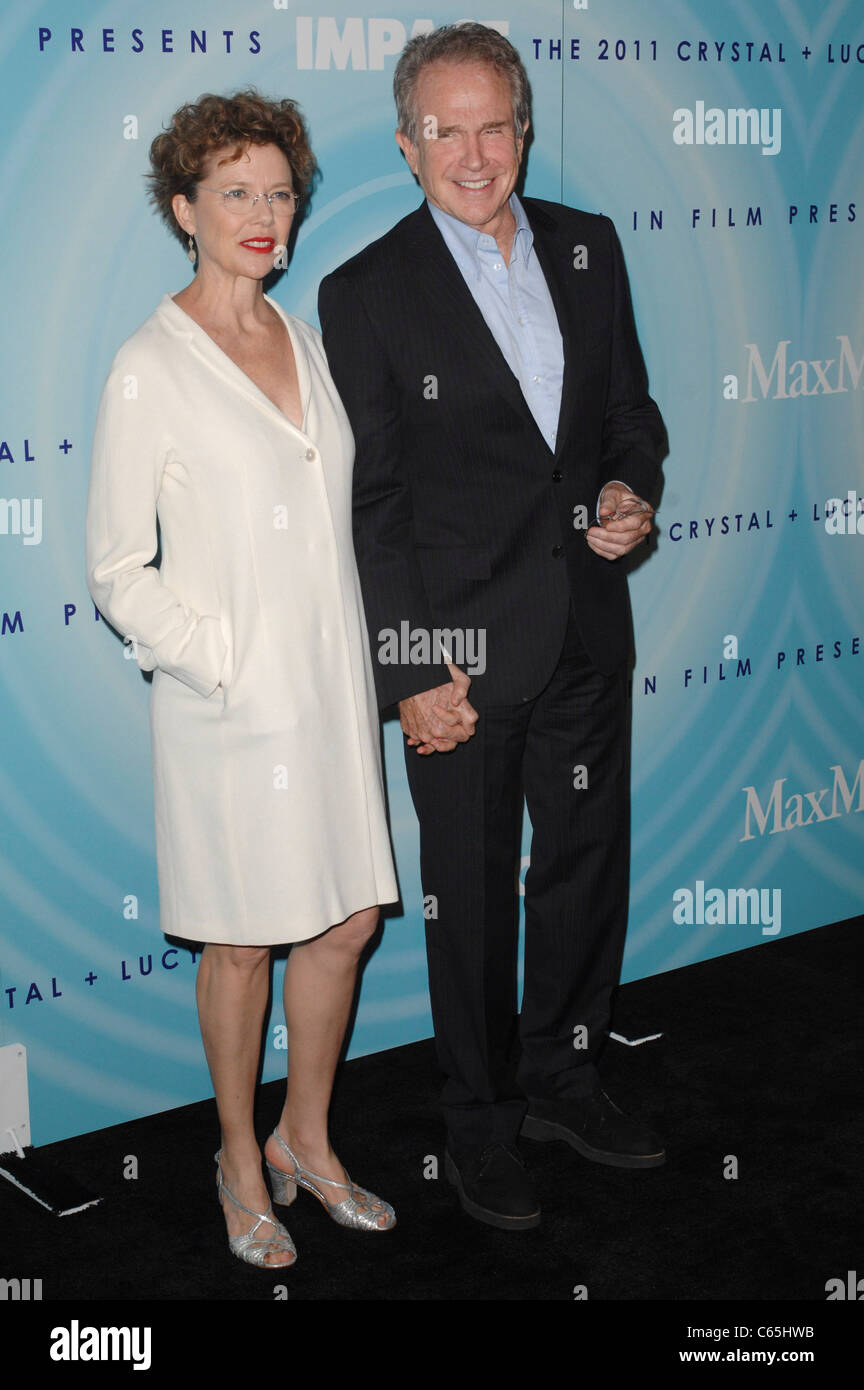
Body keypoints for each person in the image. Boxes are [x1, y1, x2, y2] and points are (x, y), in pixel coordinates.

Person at [319, 25, 668, 1231]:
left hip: (584, 624)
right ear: (408, 146)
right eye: (446, 129)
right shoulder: (363, 291)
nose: (475, 153)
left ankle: (568, 1076)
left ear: (524, 126)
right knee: (467, 902)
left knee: (582, 873)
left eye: (496, 125)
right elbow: (374, 509)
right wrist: (410, 673)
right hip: (458, 663)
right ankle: (479, 1124)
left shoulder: (591, 248)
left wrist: (633, 493)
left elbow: (631, 414)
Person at [86, 89, 398, 1268]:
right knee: (242, 942)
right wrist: (222, 660)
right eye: (235, 195)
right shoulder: (147, 363)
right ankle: (232, 1152)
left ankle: (305, 1139)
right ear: (184, 209)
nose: (264, 215)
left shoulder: (299, 333)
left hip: (328, 695)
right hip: (229, 710)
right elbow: (117, 568)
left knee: (352, 916)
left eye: (279, 193)